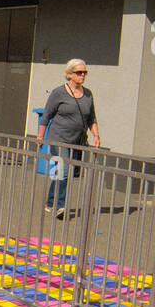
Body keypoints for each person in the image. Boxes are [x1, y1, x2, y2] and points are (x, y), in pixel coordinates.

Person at [37, 59, 100, 219]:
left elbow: (92, 117)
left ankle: (50, 202)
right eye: (79, 72)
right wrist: (40, 136)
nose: (83, 75)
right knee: (62, 171)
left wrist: (96, 136)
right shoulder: (59, 92)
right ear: (69, 74)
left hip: (77, 140)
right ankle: (60, 207)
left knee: (60, 173)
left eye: (85, 72)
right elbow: (47, 115)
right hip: (58, 138)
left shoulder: (88, 94)